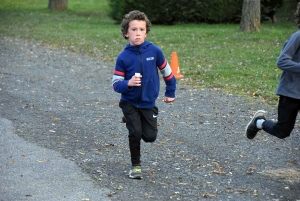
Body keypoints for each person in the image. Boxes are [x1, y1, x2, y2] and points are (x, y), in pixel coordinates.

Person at [112, 10, 177, 179]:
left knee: (149, 136)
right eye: (134, 30)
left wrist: (170, 91)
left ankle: (132, 120)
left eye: (141, 29)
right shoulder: (123, 57)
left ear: (146, 31)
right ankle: (136, 166)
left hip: (148, 102)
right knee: (135, 133)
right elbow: (115, 84)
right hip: (129, 102)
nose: (138, 33)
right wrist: (128, 83)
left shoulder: (155, 51)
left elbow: (168, 73)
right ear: (126, 33)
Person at [245, 3, 300, 140]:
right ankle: (258, 122)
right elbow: (282, 61)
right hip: (291, 92)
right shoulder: (297, 36)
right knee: (282, 131)